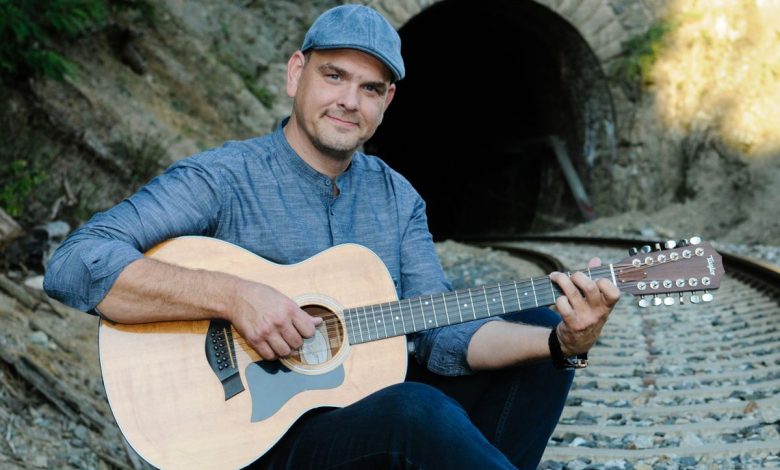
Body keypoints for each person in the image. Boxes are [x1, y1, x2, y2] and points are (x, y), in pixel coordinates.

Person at [43, 4, 620, 469]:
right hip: (253, 441)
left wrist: (564, 343)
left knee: (539, 335)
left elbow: (441, 337)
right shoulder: (223, 178)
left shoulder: (397, 198)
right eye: (334, 75)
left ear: (386, 102)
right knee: (412, 409)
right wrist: (235, 296)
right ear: (297, 73)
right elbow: (74, 263)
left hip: (356, 421)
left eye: (370, 88)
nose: (349, 100)